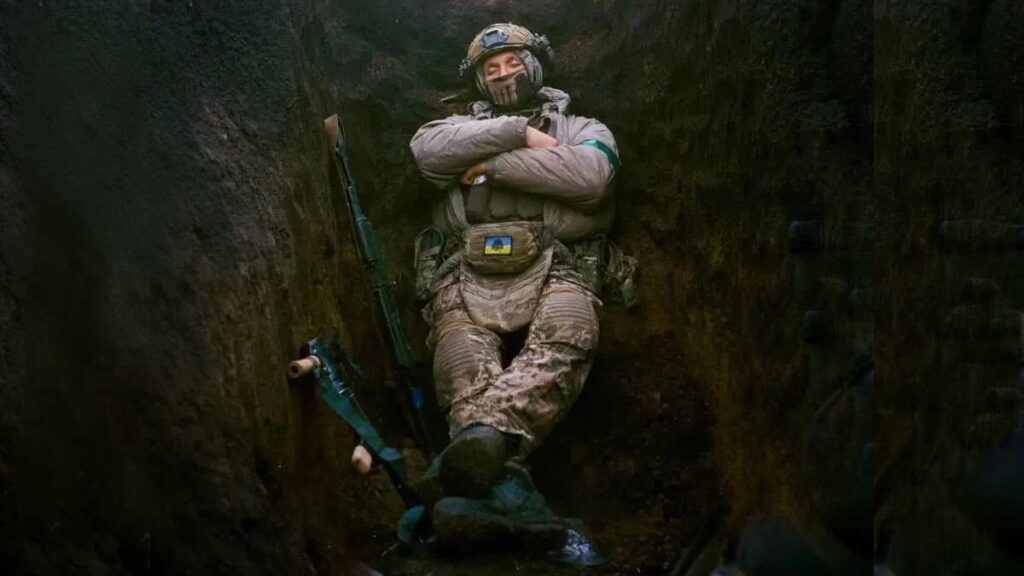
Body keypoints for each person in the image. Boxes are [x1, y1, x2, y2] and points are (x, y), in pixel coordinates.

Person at [409, 22, 632, 505]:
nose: (505, 74)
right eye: (492, 68)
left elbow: (592, 177)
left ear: (537, 64)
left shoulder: (583, 129)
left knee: (569, 330)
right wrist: (520, 135)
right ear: (477, 80)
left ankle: (474, 455)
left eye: (513, 61)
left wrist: (491, 166)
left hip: (561, 262)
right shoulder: (452, 128)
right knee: (460, 360)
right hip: (462, 271)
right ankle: (501, 478)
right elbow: (427, 156)